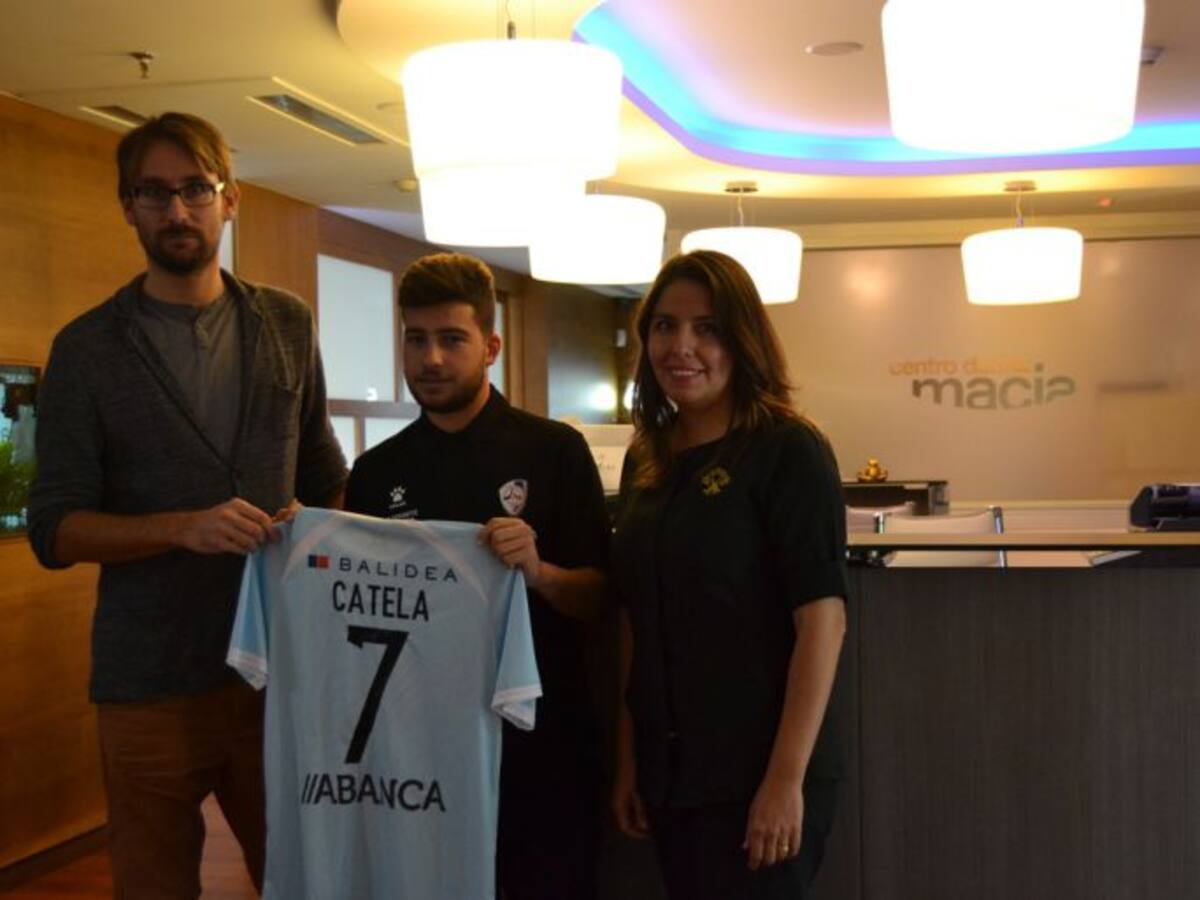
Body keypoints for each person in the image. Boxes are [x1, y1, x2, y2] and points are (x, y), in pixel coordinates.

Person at [27, 112, 347, 899]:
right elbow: (54, 528)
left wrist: (320, 537)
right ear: (128, 207)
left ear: (229, 199)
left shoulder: (286, 323)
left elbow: (323, 474)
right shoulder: (86, 350)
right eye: (154, 193)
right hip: (147, 684)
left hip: (275, 675)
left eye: (195, 189)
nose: (177, 210)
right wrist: (181, 528)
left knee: (303, 879)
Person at [343, 252, 611, 900]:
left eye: (451, 339)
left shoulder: (554, 451)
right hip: (421, 742)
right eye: (416, 339)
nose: (430, 358)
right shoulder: (375, 473)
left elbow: (601, 598)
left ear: (490, 346)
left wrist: (538, 573)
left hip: (539, 740)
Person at [610, 250, 848, 900]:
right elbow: (635, 618)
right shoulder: (646, 458)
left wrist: (784, 781)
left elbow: (823, 622)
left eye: (707, 328)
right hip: (670, 772)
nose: (680, 347)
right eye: (665, 326)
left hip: (760, 773)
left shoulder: (788, 449)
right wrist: (629, 760)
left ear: (742, 339)